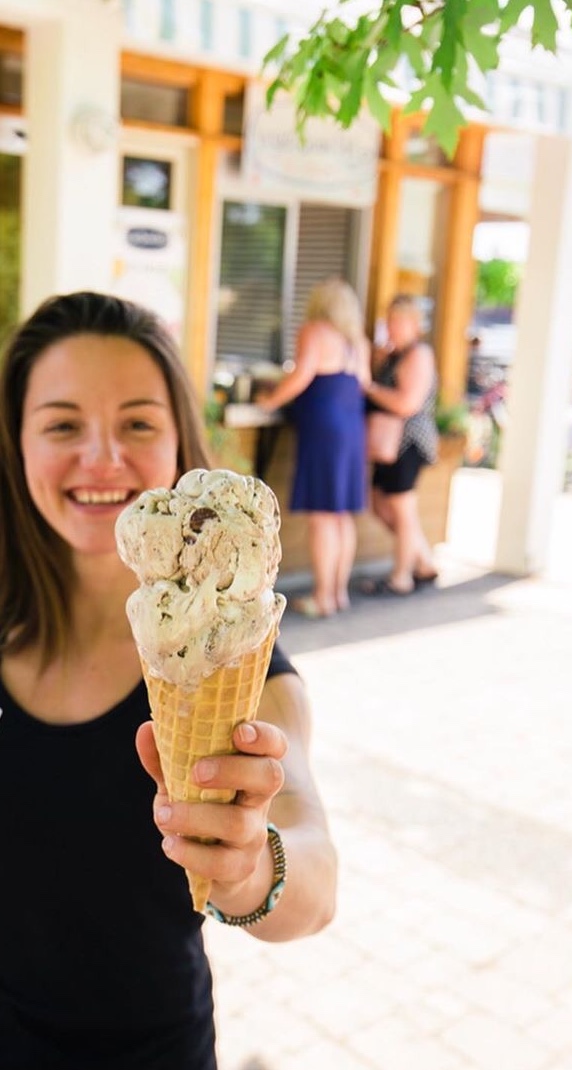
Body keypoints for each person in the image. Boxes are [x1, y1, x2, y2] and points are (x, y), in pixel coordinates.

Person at [0, 291, 337, 1070]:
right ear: (16, 444)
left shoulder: (246, 669)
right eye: (62, 425)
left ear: (182, 443)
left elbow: (317, 885)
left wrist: (248, 867)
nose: (103, 458)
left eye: (139, 424)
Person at [257, 277, 370, 618]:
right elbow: (363, 384)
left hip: (324, 427)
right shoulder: (358, 342)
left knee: (322, 515)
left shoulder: (314, 331)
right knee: (341, 514)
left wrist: (270, 399)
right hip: (352, 427)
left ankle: (322, 597)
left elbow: (301, 375)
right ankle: (338, 594)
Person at [360, 294, 439, 596]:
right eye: (389, 320)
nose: (392, 327)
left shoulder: (419, 355)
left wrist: (370, 388)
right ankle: (424, 561)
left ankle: (401, 577)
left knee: (402, 510)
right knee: (380, 504)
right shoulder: (396, 354)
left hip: (408, 442)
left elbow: (407, 403)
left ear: (415, 324)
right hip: (389, 443)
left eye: (398, 321)